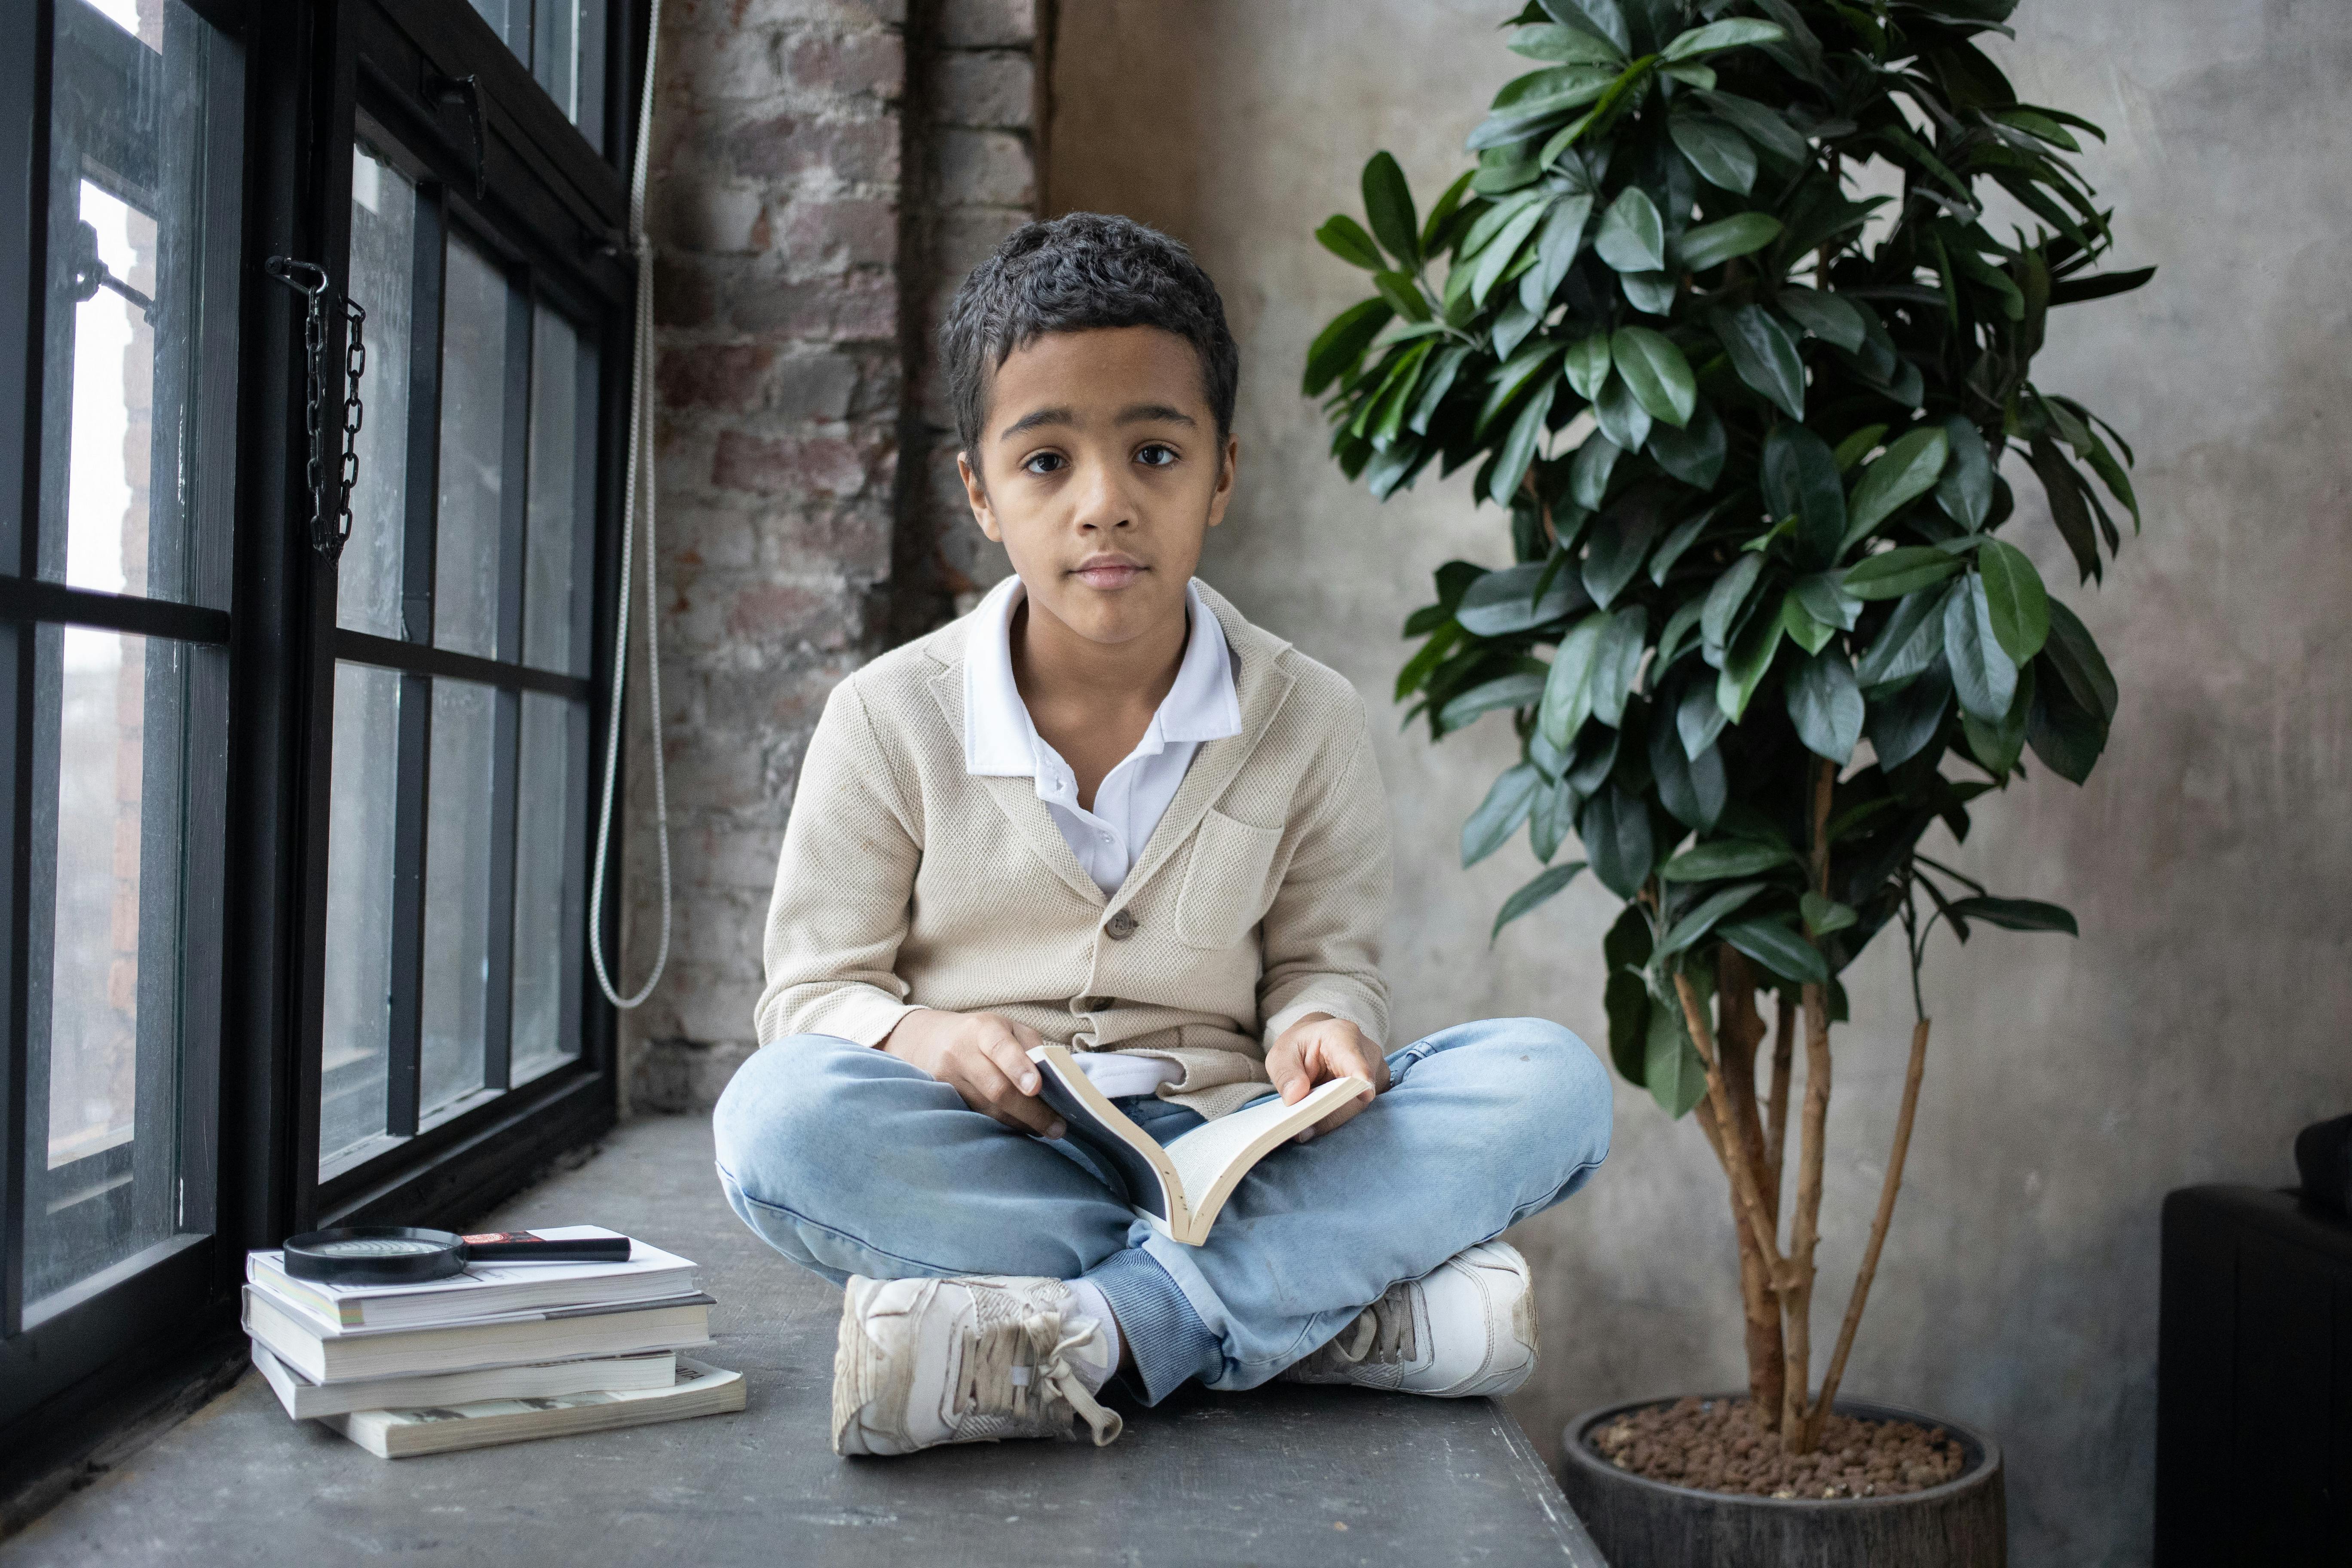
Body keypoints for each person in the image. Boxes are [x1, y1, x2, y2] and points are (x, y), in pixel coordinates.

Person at [712, 213, 1613, 1457]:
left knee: (1550, 1083)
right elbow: (810, 998)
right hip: (1006, 1161)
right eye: (1045, 463)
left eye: (1153, 453)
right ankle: (1304, 1308)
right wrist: (926, 1036)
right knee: (776, 1123)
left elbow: (1323, 965)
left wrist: (1320, 1031)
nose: (1105, 506)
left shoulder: (1310, 717)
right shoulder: (885, 719)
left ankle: (1104, 1332)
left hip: (1239, 1154)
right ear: (978, 490)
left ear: (1222, 475)